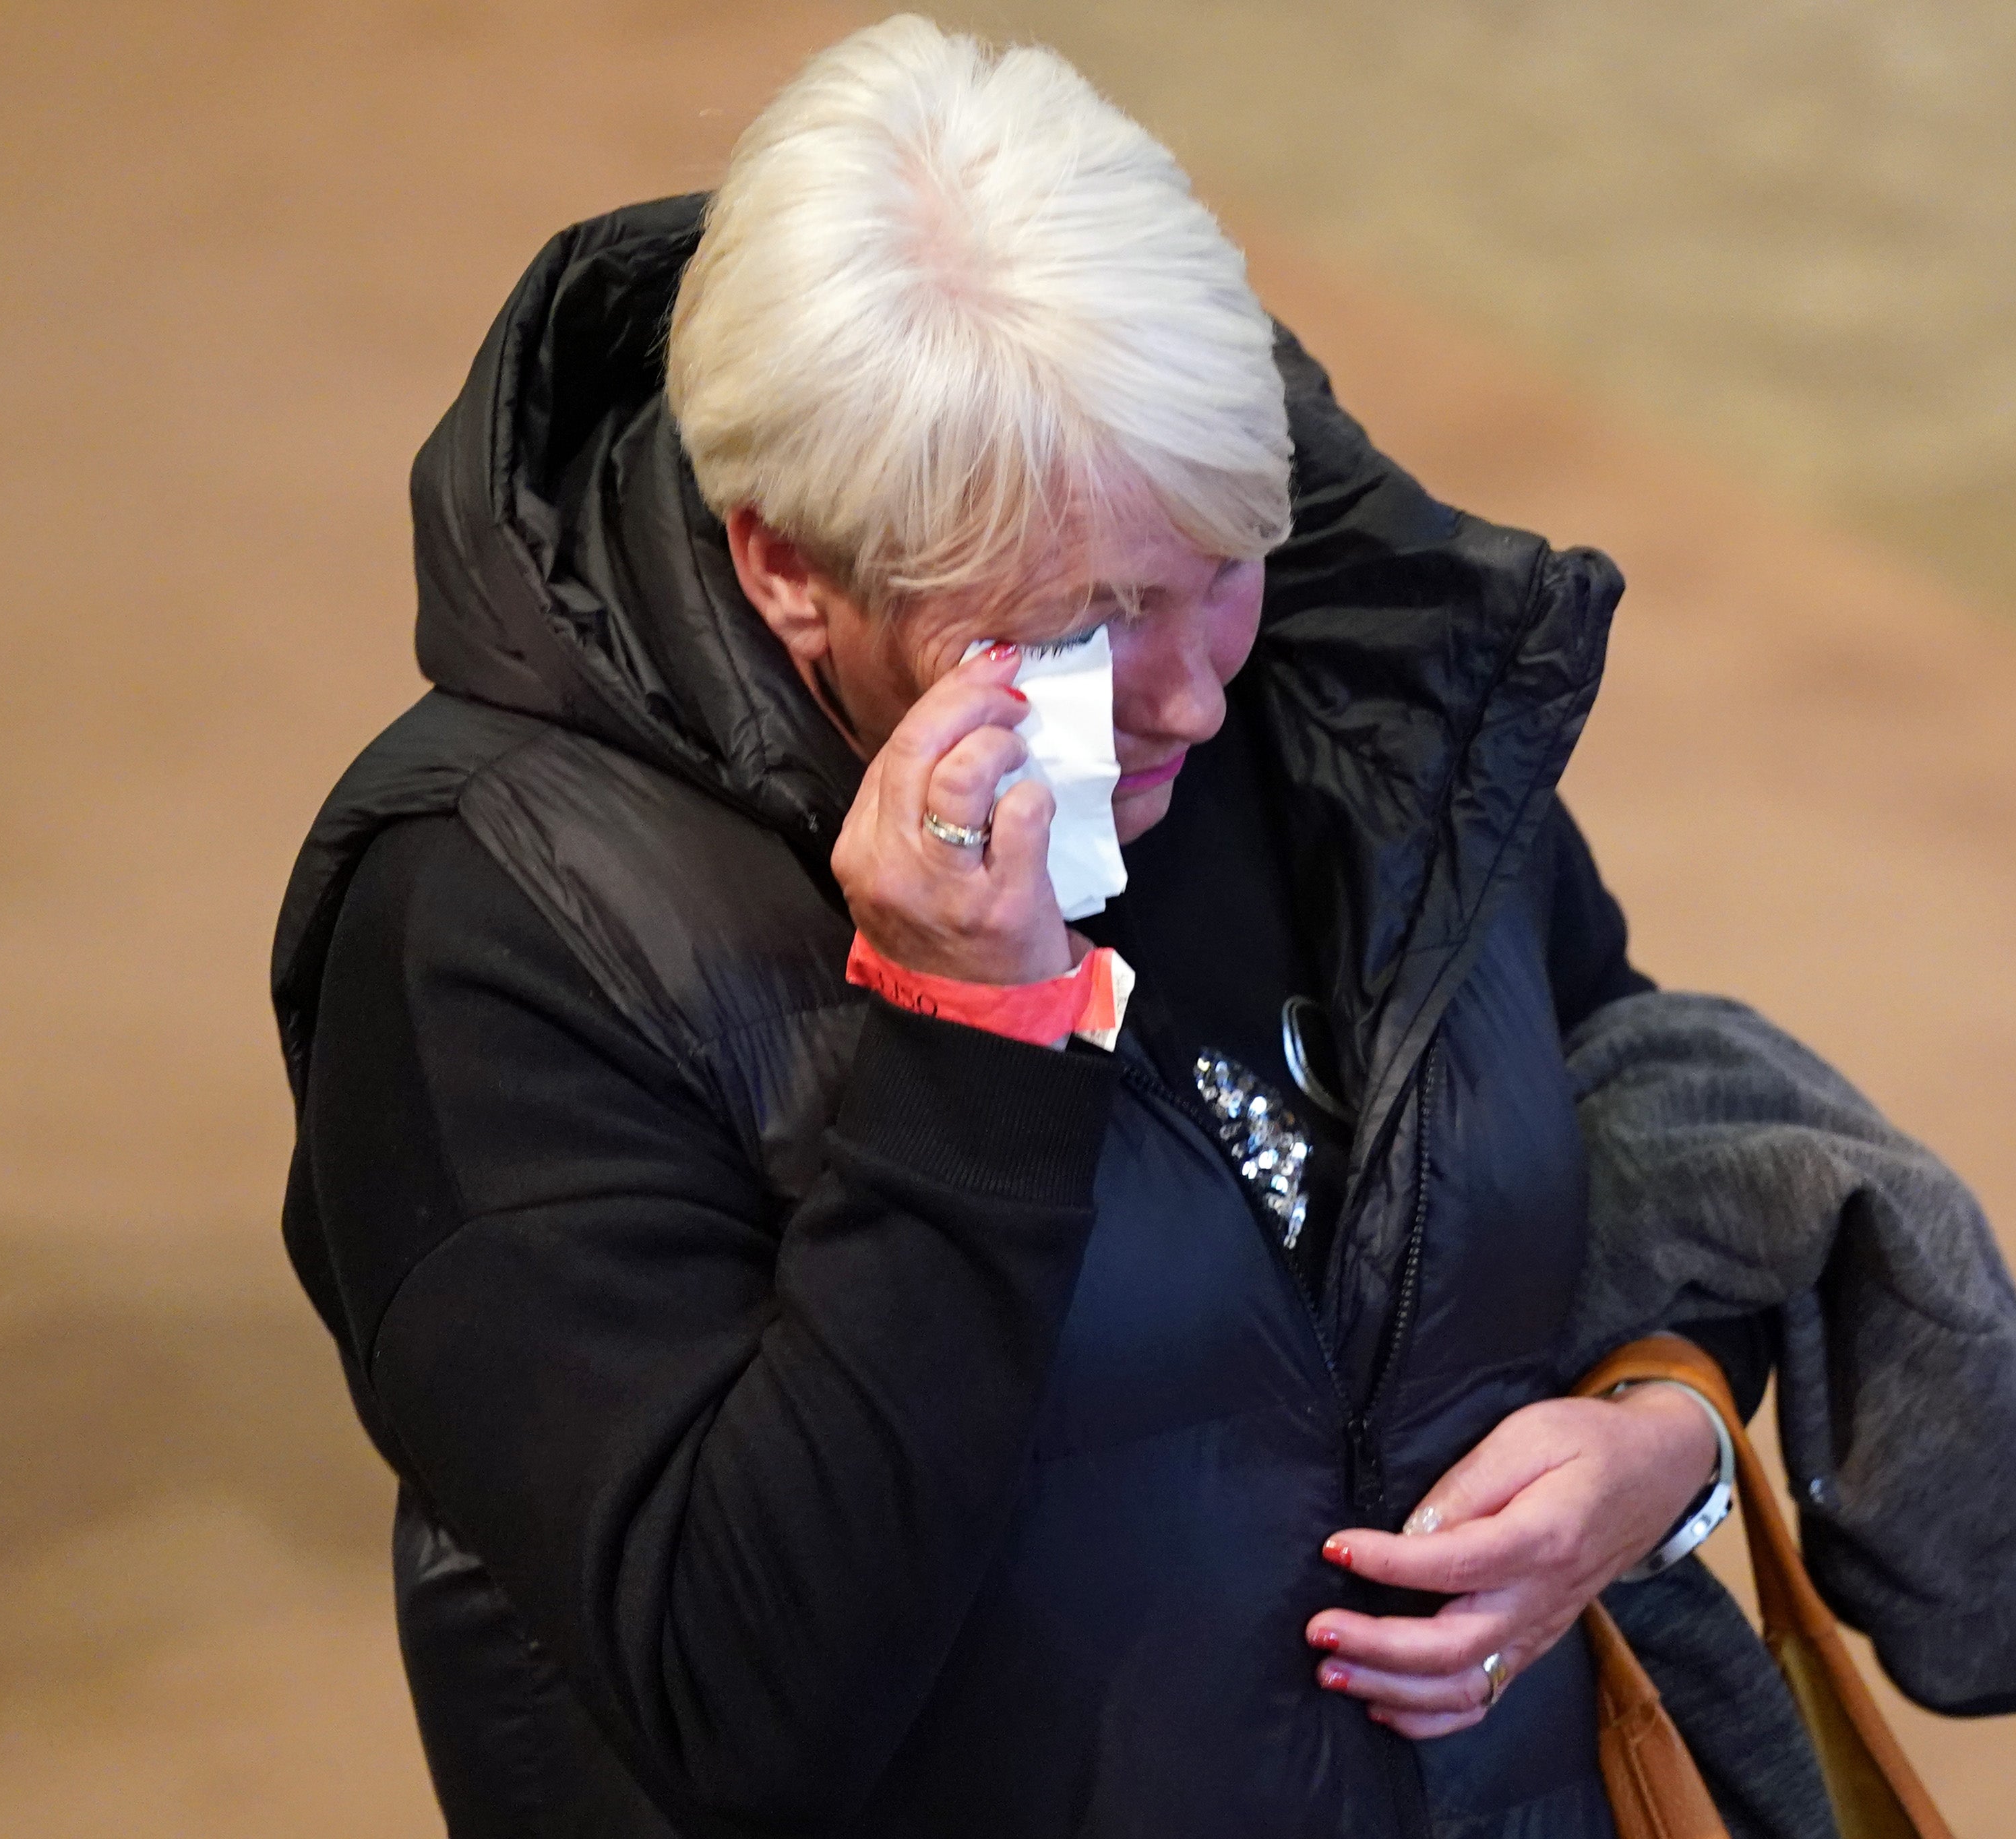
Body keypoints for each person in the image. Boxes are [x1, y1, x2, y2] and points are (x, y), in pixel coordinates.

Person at [272, 18, 1857, 1835]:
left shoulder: (1332, 680)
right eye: (1087, 618)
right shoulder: (490, 922)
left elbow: (1608, 1087)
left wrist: (1666, 1442)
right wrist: (964, 1043)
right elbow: (738, 1705)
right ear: (787, 562)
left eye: (1222, 566)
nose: (1189, 693)